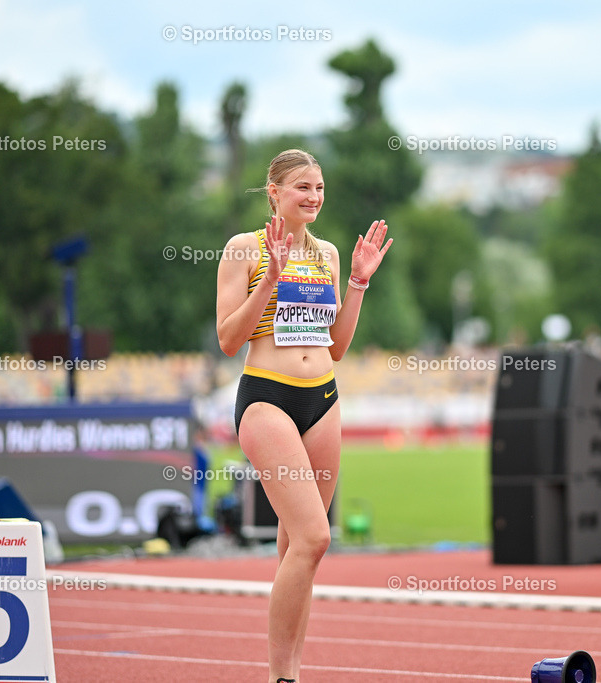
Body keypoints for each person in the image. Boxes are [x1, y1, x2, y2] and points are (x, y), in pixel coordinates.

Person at [215, 149, 391, 683]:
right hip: (267, 398)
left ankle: (292, 671)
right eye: (303, 187)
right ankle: (280, 677)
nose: (314, 196)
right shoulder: (243, 248)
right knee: (316, 537)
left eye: (319, 188)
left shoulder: (328, 254)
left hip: (323, 399)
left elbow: (335, 347)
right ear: (274, 192)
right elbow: (228, 339)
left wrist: (358, 282)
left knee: (297, 547)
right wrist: (270, 278)